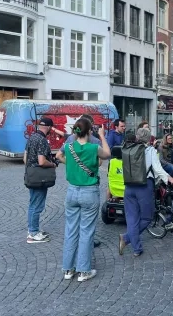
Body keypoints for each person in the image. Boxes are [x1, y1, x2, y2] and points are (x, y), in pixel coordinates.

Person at [55, 119, 111, 282]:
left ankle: (68, 269)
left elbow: (58, 156)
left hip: (72, 192)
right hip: (89, 192)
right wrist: (102, 137)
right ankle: (83, 270)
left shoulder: (68, 147)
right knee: (86, 231)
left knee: (71, 230)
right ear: (89, 132)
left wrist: (72, 165)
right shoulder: (93, 148)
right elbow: (107, 154)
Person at [119, 128, 173, 257]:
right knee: (147, 217)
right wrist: (171, 179)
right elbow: (158, 169)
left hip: (129, 186)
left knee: (131, 219)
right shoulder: (150, 150)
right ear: (148, 139)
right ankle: (126, 238)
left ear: (137, 137)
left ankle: (136, 248)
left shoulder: (127, 148)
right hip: (144, 185)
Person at [24, 117, 57, 244]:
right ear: (49, 127)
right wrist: (53, 164)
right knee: (37, 205)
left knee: (33, 204)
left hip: (31, 175)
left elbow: (25, 159)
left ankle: (32, 229)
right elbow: (42, 161)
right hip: (39, 177)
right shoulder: (42, 140)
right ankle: (33, 233)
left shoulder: (31, 138)